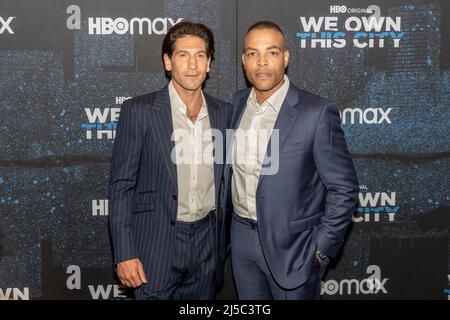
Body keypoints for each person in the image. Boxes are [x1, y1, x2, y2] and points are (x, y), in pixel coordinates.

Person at [224, 21, 359, 300]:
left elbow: (344, 188)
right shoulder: (236, 104)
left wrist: (321, 248)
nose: (262, 62)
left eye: (271, 53)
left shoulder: (317, 112)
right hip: (240, 239)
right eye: (252, 53)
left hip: (295, 249)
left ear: (285, 58)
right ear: (243, 60)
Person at [108, 21, 230, 300]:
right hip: (156, 244)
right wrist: (125, 252)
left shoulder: (224, 114)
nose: (192, 65)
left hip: (207, 246)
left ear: (209, 63)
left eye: (200, 55)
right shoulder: (139, 110)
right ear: (167, 61)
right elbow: (121, 186)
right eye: (183, 55)